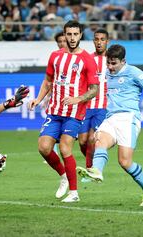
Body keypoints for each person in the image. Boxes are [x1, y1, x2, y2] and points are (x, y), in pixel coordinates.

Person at [77, 44, 143, 207]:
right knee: (99, 139)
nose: (110, 67)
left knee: (124, 162)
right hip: (110, 118)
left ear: (123, 61)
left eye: (113, 63)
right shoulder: (106, 73)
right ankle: (96, 171)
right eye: (108, 63)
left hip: (128, 119)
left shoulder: (133, 72)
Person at [28, 20, 99, 203]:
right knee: (43, 148)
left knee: (65, 147)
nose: (72, 38)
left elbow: (94, 89)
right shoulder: (55, 56)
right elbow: (48, 81)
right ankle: (64, 175)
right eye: (69, 34)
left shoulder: (87, 59)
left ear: (81, 35)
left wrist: (78, 99)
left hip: (74, 112)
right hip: (54, 111)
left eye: (76, 34)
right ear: (64, 35)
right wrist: (38, 98)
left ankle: (74, 193)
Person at [77, 29, 109, 182]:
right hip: (86, 105)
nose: (99, 42)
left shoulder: (112, 60)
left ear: (107, 41)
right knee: (82, 140)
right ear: (93, 41)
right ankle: (95, 160)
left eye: (102, 39)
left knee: (91, 138)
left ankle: (91, 170)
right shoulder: (87, 59)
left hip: (103, 106)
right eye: (96, 39)